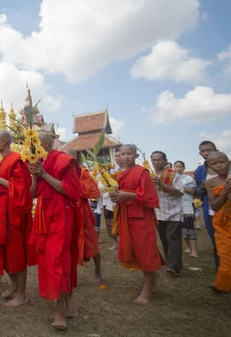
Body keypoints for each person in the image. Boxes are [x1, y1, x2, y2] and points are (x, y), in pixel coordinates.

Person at [30, 131, 81, 330]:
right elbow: (34, 194)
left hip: (61, 215)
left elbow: (71, 191)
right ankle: (70, 305)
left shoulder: (64, 161)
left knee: (58, 258)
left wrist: (43, 173)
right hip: (44, 215)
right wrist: (35, 176)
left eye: (35, 142)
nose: (34, 146)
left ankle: (60, 312)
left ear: (44, 142)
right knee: (51, 259)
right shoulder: (41, 161)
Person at [0, 130, 34, 308]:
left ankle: (22, 293)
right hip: (0, 209)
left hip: (13, 212)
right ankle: (14, 284)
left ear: (4, 142)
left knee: (16, 252)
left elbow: (22, 189)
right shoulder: (3, 161)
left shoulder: (16, 160)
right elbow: (5, 185)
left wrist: (0, 181)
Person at [109, 144, 165, 305]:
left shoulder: (142, 172)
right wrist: (116, 197)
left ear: (136, 156)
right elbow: (117, 193)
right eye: (123, 154)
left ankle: (146, 291)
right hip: (127, 216)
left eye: (129, 154)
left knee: (146, 251)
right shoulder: (119, 174)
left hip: (141, 217)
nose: (126, 157)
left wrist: (125, 194)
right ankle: (151, 280)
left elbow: (149, 196)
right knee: (136, 250)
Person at [205, 151, 231, 318]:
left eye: (222, 161)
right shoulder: (210, 182)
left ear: (229, 162)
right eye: (214, 163)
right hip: (223, 226)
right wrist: (226, 191)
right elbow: (214, 206)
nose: (218, 165)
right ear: (209, 167)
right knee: (229, 262)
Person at [64, 148, 102, 283]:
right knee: (68, 245)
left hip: (82, 211)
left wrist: (72, 186)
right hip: (66, 210)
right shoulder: (61, 172)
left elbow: (93, 192)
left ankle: (98, 271)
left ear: (74, 158)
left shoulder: (83, 172)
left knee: (91, 243)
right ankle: (69, 275)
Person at [151, 151, 184, 275]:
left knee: (173, 238)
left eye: (159, 159)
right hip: (158, 212)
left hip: (174, 212)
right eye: (154, 160)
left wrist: (161, 184)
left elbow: (180, 192)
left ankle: (173, 266)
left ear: (165, 161)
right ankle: (174, 263)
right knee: (165, 239)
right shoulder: (150, 174)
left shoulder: (173, 174)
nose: (156, 162)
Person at [194, 141, 220, 270]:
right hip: (210, 210)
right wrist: (202, 188)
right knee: (216, 243)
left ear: (216, 149)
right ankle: (221, 273)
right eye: (203, 151)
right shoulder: (200, 171)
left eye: (209, 150)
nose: (206, 153)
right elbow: (197, 191)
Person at [174, 160, 198, 258]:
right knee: (181, 228)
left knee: (189, 227)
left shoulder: (188, 178)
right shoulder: (172, 178)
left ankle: (194, 250)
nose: (178, 168)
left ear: (183, 168)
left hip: (187, 205)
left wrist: (182, 187)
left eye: (180, 166)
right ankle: (187, 247)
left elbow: (192, 191)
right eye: (176, 166)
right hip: (176, 206)